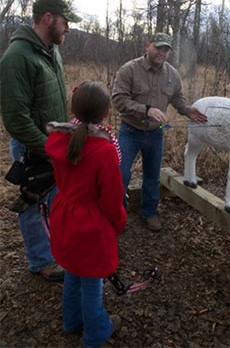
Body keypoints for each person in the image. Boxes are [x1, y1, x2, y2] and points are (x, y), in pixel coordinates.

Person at [0, 0, 81, 281]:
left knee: (53, 200)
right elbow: (16, 120)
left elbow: (50, 98)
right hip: (32, 146)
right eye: (65, 21)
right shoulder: (16, 58)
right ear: (48, 18)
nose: (68, 28)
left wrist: (67, 127)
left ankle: (53, 249)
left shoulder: (51, 51)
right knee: (34, 201)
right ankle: (41, 262)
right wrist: (49, 148)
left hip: (53, 142)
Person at [45, 81, 127, 348]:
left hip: (64, 216)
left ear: (73, 107)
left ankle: (71, 321)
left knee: (72, 272)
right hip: (91, 226)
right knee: (92, 284)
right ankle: (96, 333)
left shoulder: (58, 137)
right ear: (105, 114)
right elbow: (112, 199)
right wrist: (118, 223)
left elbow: (60, 179)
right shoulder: (104, 150)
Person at [112, 32, 208, 232]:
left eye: (166, 49)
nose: (161, 53)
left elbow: (177, 99)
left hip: (155, 134)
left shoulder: (171, 74)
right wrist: (146, 110)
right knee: (120, 174)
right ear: (148, 46)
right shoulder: (129, 69)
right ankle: (118, 214)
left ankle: (149, 212)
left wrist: (188, 110)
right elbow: (118, 100)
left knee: (153, 175)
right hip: (130, 131)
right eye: (158, 47)